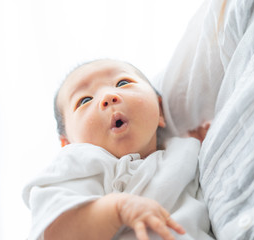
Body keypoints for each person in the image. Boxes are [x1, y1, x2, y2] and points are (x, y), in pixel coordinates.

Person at [23, 59, 213, 240]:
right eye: (84, 100)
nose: (108, 97)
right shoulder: (79, 164)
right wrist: (116, 210)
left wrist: (203, 138)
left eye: (122, 83)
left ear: (160, 111)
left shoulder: (186, 150)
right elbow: (54, 232)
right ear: (68, 143)